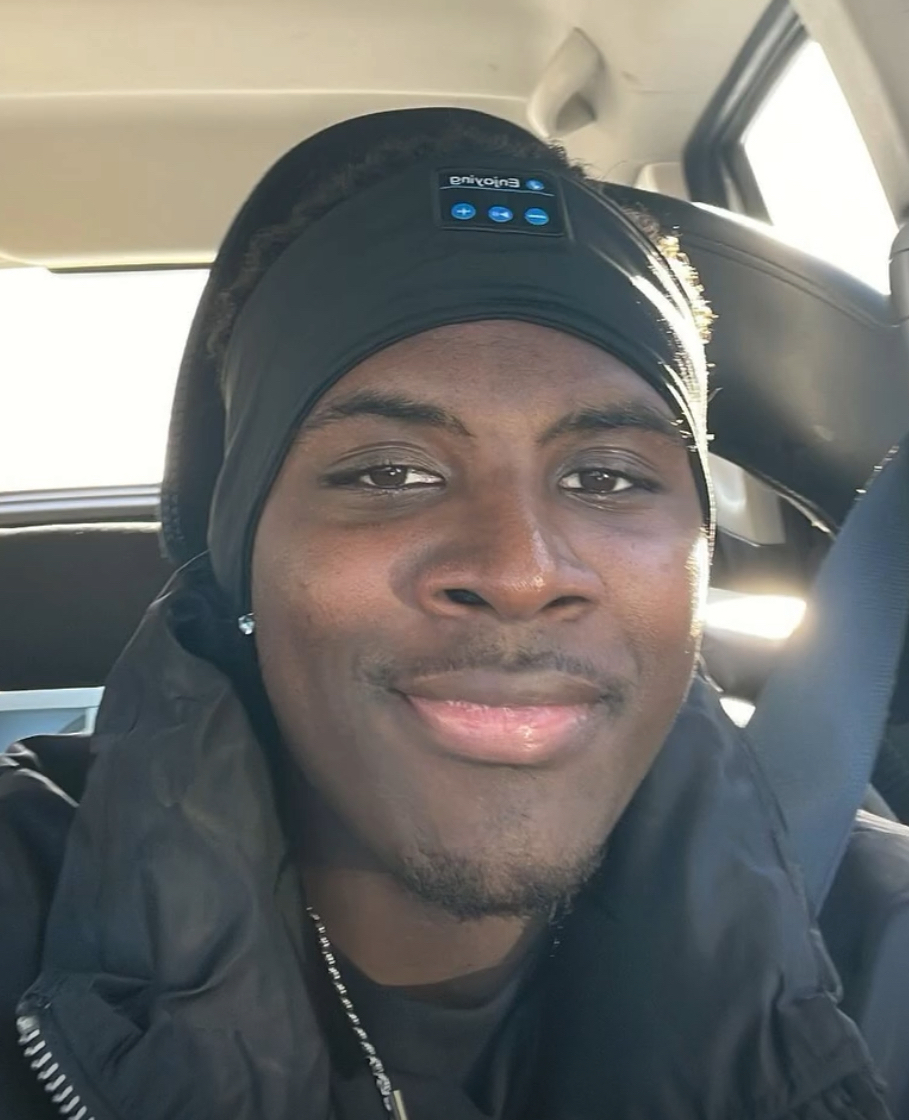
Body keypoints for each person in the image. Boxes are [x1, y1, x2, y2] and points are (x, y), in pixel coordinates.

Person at [0, 108, 891, 1120]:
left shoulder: (881, 933)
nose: (520, 571)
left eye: (605, 477)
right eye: (390, 471)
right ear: (242, 555)